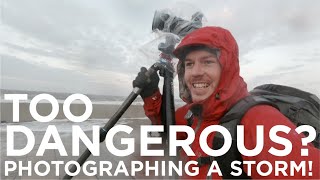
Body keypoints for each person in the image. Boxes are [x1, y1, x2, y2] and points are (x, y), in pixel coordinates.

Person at [133, 26, 320, 179]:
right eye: (189, 64)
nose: (196, 72)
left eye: (207, 62)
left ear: (227, 67)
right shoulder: (194, 114)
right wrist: (152, 94)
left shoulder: (259, 121)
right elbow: (167, 125)